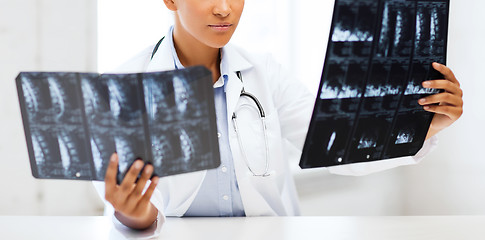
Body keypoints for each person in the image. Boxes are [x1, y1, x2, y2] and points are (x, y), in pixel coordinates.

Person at [96, 0, 464, 230]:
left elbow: (338, 144)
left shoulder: (264, 73)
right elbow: (132, 201)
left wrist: (424, 125)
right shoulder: (125, 86)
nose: (225, 8)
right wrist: (137, 216)